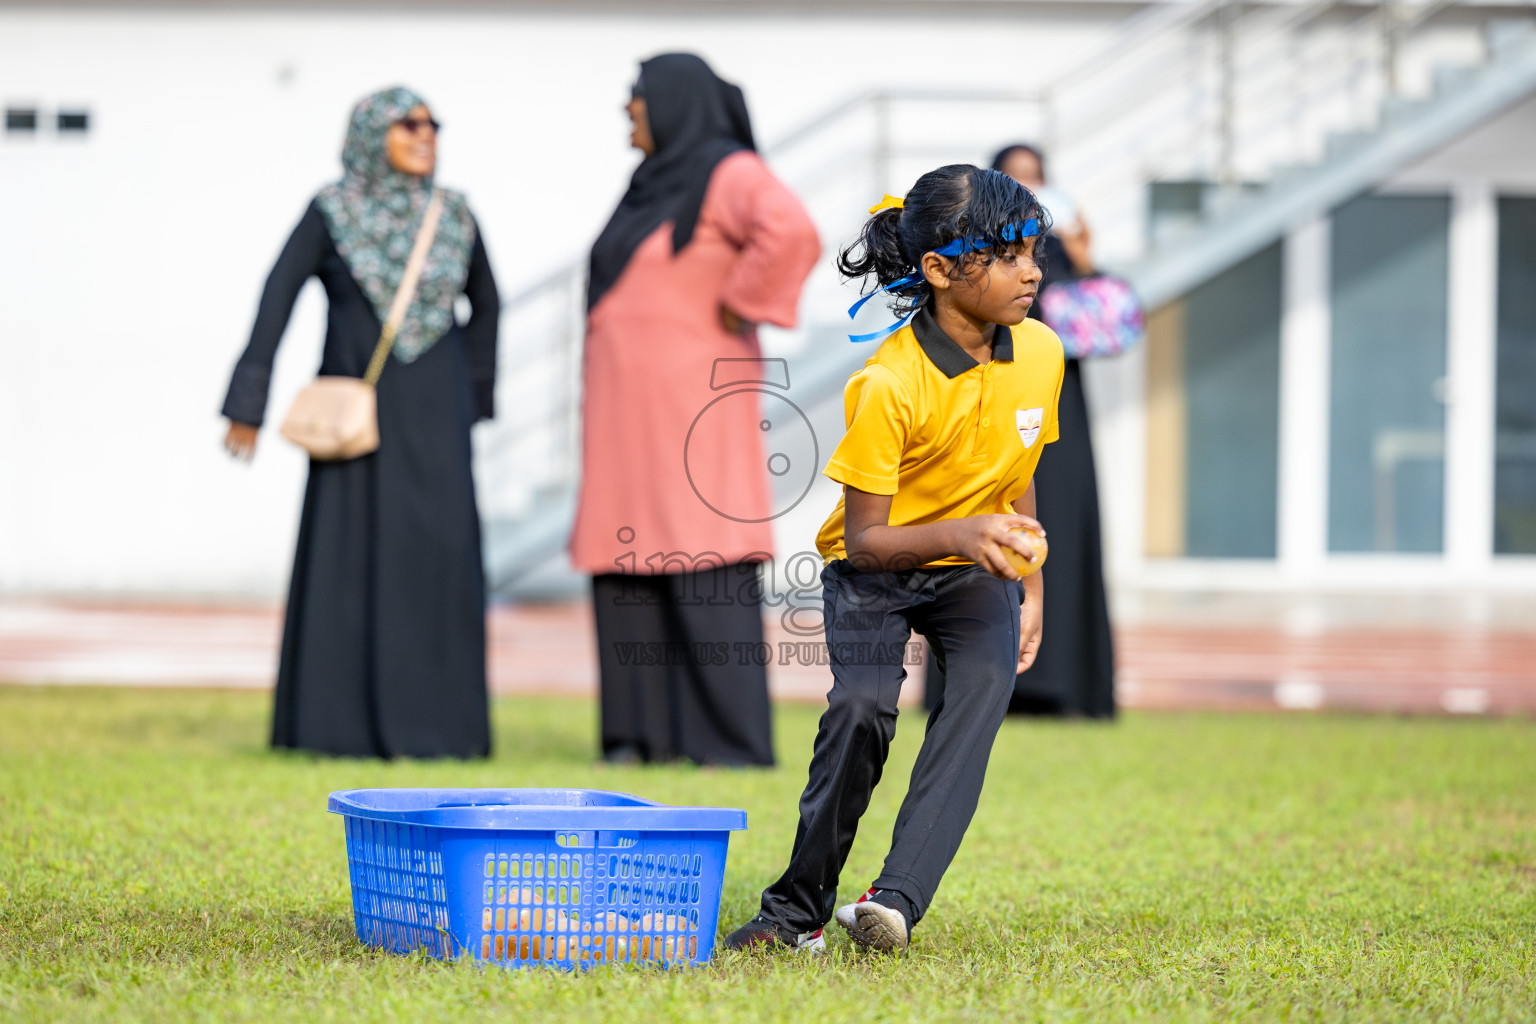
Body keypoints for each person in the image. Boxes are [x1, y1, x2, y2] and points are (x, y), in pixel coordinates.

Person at [725, 165, 1064, 954]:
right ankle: (793, 911)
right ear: (942, 271)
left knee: (981, 689)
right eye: (1008, 256)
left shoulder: (1042, 354)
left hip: (976, 570)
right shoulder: (887, 383)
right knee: (860, 713)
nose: (1032, 271)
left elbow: (1021, 478)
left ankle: (896, 899)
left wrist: (1031, 585)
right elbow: (868, 539)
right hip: (876, 568)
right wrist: (961, 533)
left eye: (1033, 251)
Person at [221, 87, 499, 759]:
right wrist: (248, 401)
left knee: (433, 561)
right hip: (357, 423)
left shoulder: (453, 213)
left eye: (433, 123)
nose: (426, 133)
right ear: (373, 134)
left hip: (435, 418)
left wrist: (475, 398)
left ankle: (441, 731)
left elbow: (487, 302)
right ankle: (333, 726)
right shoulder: (332, 211)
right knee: (349, 559)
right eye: (410, 124)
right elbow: (277, 293)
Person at [571, 53, 820, 767]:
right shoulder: (652, 185)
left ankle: (726, 741)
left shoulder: (726, 170)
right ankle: (638, 736)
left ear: (673, 102)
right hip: (627, 418)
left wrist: (737, 302)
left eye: (638, 97)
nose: (629, 110)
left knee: (701, 553)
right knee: (625, 556)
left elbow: (792, 230)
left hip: (691, 414)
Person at [923, 143, 1115, 719]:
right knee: (973, 515)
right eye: (1014, 178)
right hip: (983, 389)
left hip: (1055, 398)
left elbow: (1113, 323)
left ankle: (1063, 684)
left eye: (1037, 178)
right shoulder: (971, 250)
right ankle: (974, 679)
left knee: (1056, 526)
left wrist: (1085, 263)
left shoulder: (1055, 248)